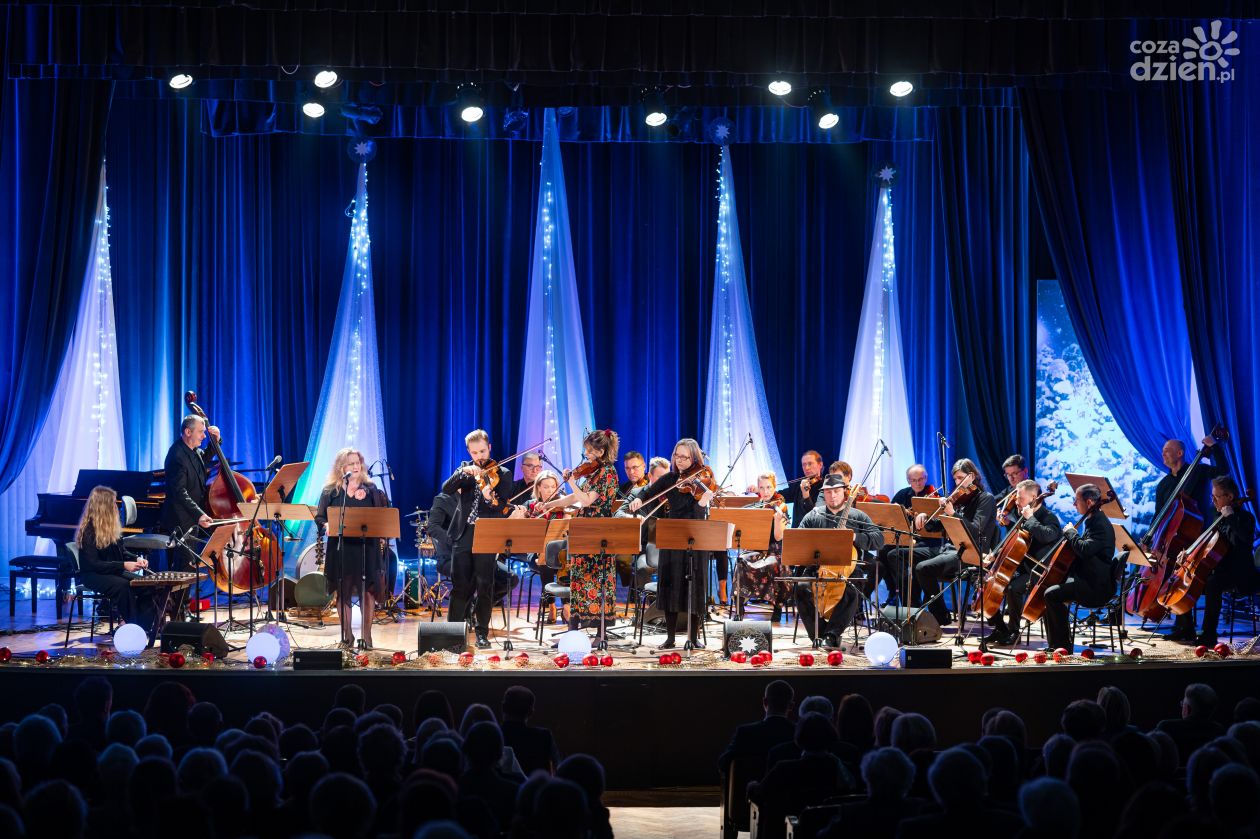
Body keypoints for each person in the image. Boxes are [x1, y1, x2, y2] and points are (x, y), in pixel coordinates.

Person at [627, 438, 716, 649]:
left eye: (685, 456)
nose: (681, 460)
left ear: (694, 457)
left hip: (696, 538)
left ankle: (693, 637)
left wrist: (703, 503)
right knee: (670, 586)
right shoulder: (669, 479)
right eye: (677, 455)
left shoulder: (701, 479)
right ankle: (670, 638)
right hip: (672, 537)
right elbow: (648, 493)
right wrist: (639, 500)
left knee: (696, 587)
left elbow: (695, 514)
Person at [440, 429, 523, 649]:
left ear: (490, 448)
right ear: (469, 451)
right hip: (464, 533)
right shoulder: (466, 471)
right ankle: (453, 635)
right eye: (475, 453)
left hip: (487, 534)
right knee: (460, 586)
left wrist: (489, 498)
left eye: (483, 451)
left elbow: (503, 507)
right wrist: (462, 473)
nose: (479, 457)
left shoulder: (503, 473)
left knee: (485, 585)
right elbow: (446, 490)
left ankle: (482, 634)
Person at [540, 429, 621, 637]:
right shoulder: (592, 472)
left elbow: (586, 500)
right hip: (583, 531)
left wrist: (572, 482)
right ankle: (573, 633)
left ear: (601, 451)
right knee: (578, 582)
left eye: (589, 451)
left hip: (598, 532)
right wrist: (549, 504)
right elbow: (573, 500)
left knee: (598, 582)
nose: (586, 455)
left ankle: (600, 635)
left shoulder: (608, 473)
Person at [314, 448, 390, 651]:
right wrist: (326, 525)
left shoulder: (372, 489)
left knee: (368, 592)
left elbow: (382, 516)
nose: (356, 466)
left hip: (367, 548)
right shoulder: (331, 491)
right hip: (342, 549)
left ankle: (367, 636)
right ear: (341, 468)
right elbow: (320, 517)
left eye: (358, 462)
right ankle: (347, 636)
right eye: (351, 464)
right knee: (343, 591)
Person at [794, 474, 883, 648]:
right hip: (817, 567)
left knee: (852, 590)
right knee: (802, 588)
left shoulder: (858, 516)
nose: (832, 495)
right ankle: (818, 634)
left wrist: (855, 536)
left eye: (836, 491)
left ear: (844, 492)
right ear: (823, 494)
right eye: (828, 492)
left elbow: (879, 539)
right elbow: (798, 538)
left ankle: (832, 635)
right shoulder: (814, 515)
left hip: (848, 568)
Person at [912, 459, 998, 626]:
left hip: (969, 552)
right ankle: (913, 610)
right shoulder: (961, 500)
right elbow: (940, 525)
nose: (957, 483)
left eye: (960, 478)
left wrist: (953, 513)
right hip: (949, 549)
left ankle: (940, 616)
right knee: (900, 555)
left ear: (972, 476)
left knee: (923, 569)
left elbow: (975, 530)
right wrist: (924, 518)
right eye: (955, 479)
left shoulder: (985, 499)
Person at [1041, 483, 1116, 653]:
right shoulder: (1093, 520)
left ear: (1089, 502)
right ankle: (1057, 643)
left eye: (1077, 500)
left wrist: (1071, 533)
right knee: (1049, 591)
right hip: (1089, 577)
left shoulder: (1100, 525)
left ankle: (1062, 645)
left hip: (1095, 586)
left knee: (1051, 595)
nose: (1074, 504)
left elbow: (1085, 549)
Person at [985, 479, 1061, 645]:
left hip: (1040, 570)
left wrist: (1030, 519)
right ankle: (1000, 628)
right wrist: (1007, 527)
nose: (1016, 502)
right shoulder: (1023, 515)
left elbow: (1048, 535)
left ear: (1034, 497)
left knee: (1013, 588)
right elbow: (1019, 540)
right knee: (990, 581)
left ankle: (1013, 631)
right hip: (1024, 565)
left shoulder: (1049, 517)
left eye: (1020, 498)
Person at [76, 486, 157, 633]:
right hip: (93, 575)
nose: (116, 507)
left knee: (146, 584)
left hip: (112, 571)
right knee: (124, 587)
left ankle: (144, 628)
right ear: (104, 507)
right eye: (113, 503)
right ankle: (132, 629)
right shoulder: (88, 531)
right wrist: (123, 565)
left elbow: (123, 552)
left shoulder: (110, 527)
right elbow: (94, 564)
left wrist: (137, 558)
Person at [1190, 476, 1259, 646]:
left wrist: (1230, 518)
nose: (1213, 500)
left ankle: (1208, 634)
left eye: (1217, 496)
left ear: (1229, 497)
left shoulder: (1245, 519)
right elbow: (1207, 542)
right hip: (1221, 569)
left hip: (1241, 572)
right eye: (1212, 496)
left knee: (1213, 583)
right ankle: (1184, 628)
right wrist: (1189, 553)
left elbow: (1242, 542)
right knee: (1189, 579)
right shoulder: (1217, 516)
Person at [159, 415, 221, 568]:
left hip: (190, 518)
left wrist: (216, 440)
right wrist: (199, 514)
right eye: (200, 432)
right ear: (188, 432)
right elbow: (179, 492)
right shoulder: (177, 456)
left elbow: (204, 458)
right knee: (184, 568)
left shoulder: (193, 451)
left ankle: (184, 593)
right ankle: (177, 593)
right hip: (180, 520)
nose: (204, 436)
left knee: (189, 567)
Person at [881, 465, 941, 604]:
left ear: (925, 478)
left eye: (921, 479)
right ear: (908, 480)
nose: (918, 483)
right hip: (904, 538)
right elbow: (891, 516)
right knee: (883, 551)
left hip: (927, 542)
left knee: (901, 555)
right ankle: (894, 591)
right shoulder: (902, 494)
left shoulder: (934, 495)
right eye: (914, 480)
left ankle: (912, 600)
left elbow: (939, 523)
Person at [736, 472, 790, 621]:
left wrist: (778, 519)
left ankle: (777, 607)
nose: (766, 492)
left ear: (774, 487)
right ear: (757, 489)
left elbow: (779, 537)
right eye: (762, 487)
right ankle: (739, 606)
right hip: (756, 547)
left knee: (775, 565)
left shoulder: (781, 506)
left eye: (769, 487)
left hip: (774, 549)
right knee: (741, 561)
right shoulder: (756, 505)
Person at [526, 469, 569, 625]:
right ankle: (550, 605)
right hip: (536, 552)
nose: (550, 490)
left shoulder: (562, 505)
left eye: (553, 486)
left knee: (565, 562)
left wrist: (567, 513)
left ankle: (566, 606)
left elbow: (566, 529)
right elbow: (526, 533)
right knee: (544, 561)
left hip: (559, 551)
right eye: (546, 487)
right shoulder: (531, 506)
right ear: (538, 488)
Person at [780, 450, 825, 527]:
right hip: (796, 531)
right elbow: (781, 496)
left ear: (820, 465)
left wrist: (806, 495)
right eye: (804, 465)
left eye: (810, 464)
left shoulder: (825, 487)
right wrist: (762, 490)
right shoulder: (799, 484)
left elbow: (815, 515)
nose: (806, 468)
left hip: (813, 533)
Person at [994, 454, 1029, 527]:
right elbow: (992, 500)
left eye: (1014, 473)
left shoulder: (1033, 491)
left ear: (1025, 471)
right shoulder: (1011, 489)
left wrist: (1009, 523)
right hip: (1011, 535)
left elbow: (1028, 527)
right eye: (1008, 475)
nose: (1011, 478)